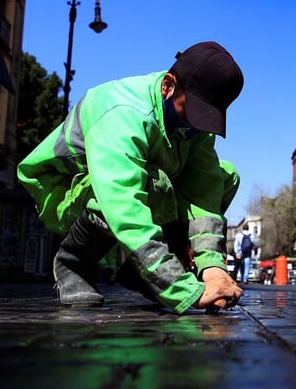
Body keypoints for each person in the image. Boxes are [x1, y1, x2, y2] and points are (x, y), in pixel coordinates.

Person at [18, 41, 245, 314]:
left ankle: (143, 273)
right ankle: (73, 262)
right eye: (192, 111)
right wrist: (184, 290)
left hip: (134, 185)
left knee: (226, 176)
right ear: (167, 86)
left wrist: (213, 268)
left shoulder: (196, 126)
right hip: (65, 191)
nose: (196, 126)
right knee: (154, 182)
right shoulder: (122, 112)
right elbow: (124, 205)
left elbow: (204, 193)